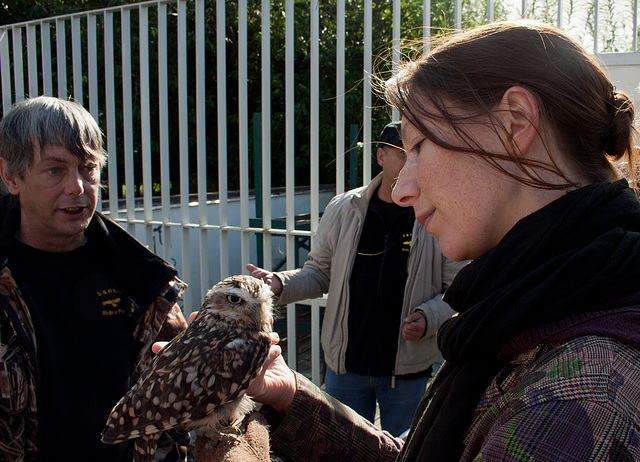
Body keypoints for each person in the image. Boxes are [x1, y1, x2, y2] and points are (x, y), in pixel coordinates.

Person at [245, 20, 640, 461]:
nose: (401, 189)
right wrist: (290, 397)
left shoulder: (578, 397)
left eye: (419, 146)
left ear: (515, 122)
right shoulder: (527, 308)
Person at [0, 96, 189, 461]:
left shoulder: (144, 284)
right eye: (55, 170)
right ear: (11, 177)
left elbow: (175, 413)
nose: (77, 187)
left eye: (87, 168)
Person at [247, 121, 465, 436]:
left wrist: (428, 317)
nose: (411, 163)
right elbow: (319, 273)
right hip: (345, 369)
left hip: (406, 371)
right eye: (403, 153)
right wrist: (279, 283)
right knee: (340, 450)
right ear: (381, 156)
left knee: (404, 455)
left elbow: (457, 290)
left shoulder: (437, 212)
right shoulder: (343, 208)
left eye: (419, 153)